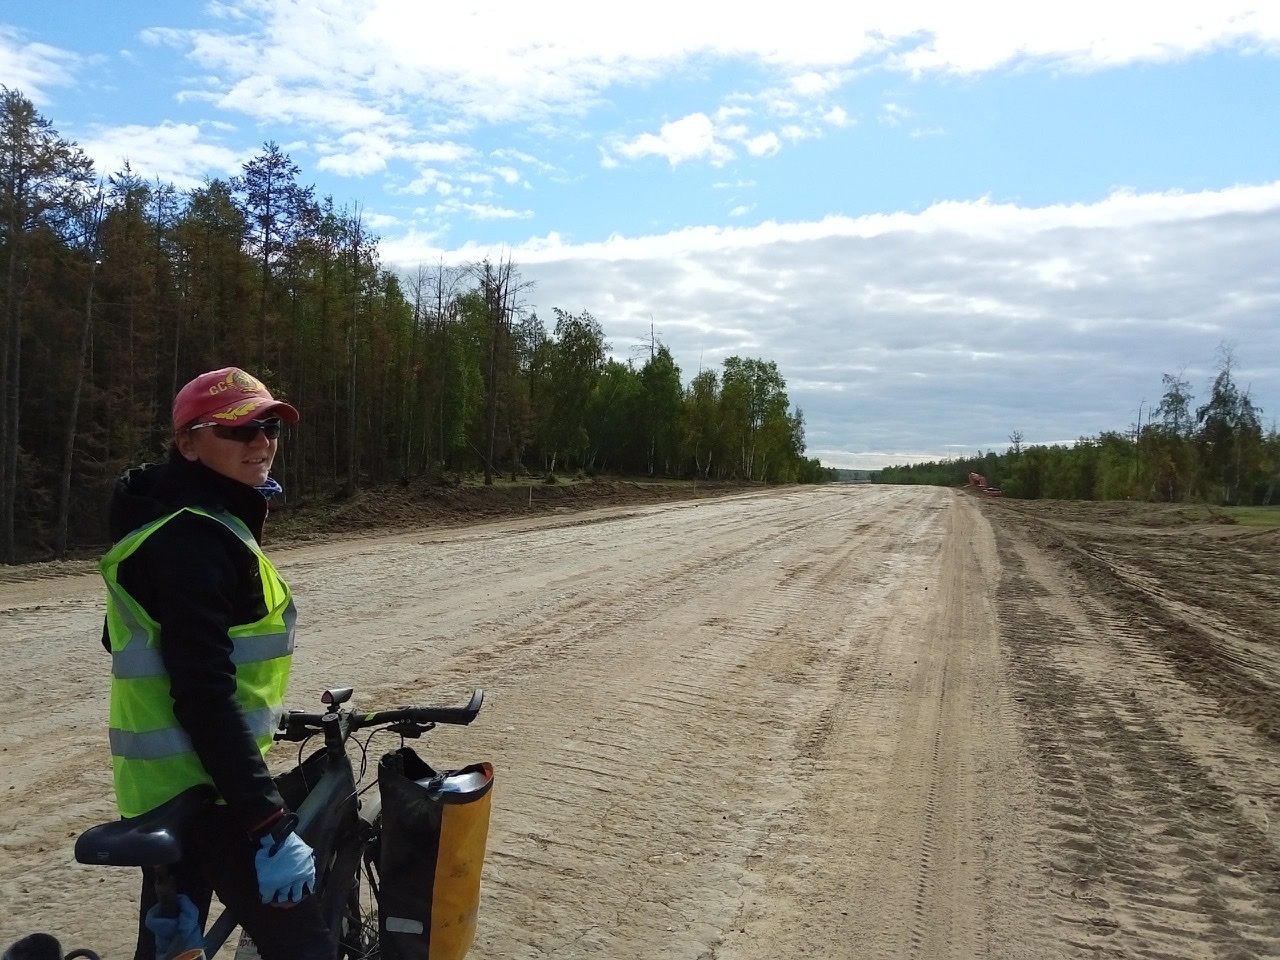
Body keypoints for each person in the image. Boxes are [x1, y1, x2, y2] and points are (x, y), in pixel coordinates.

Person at [99, 367, 333, 960]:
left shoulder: (174, 525)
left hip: (165, 790)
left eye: (269, 426)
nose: (261, 442)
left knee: (170, 948)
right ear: (188, 444)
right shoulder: (192, 540)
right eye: (238, 431)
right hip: (210, 797)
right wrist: (268, 822)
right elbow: (201, 691)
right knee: (305, 949)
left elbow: (131, 645)